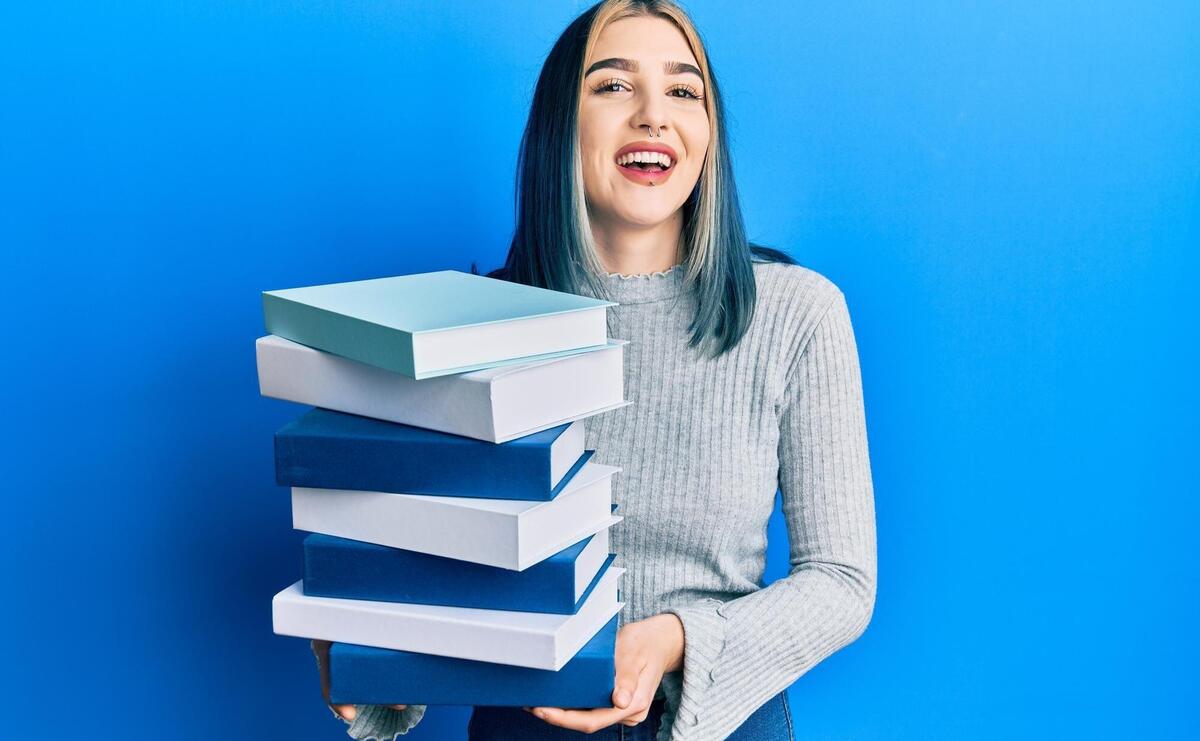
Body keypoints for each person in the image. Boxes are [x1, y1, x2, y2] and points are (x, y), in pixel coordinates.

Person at [312, 1, 876, 738]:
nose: (653, 115)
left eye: (683, 91)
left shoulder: (798, 315)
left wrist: (674, 637)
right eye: (613, 86)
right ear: (561, 129)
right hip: (524, 723)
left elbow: (841, 583)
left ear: (709, 135)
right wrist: (371, 661)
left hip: (717, 717)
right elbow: (439, 569)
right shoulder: (470, 326)